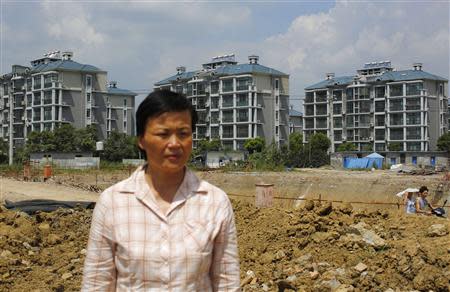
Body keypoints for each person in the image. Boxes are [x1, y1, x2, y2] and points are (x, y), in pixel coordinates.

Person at [82, 90, 240, 291]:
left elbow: (226, 281)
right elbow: (97, 282)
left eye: (183, 134)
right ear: (141, 140)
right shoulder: (112, 202)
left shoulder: (215, 202)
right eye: (163, 134)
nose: (174, 144)